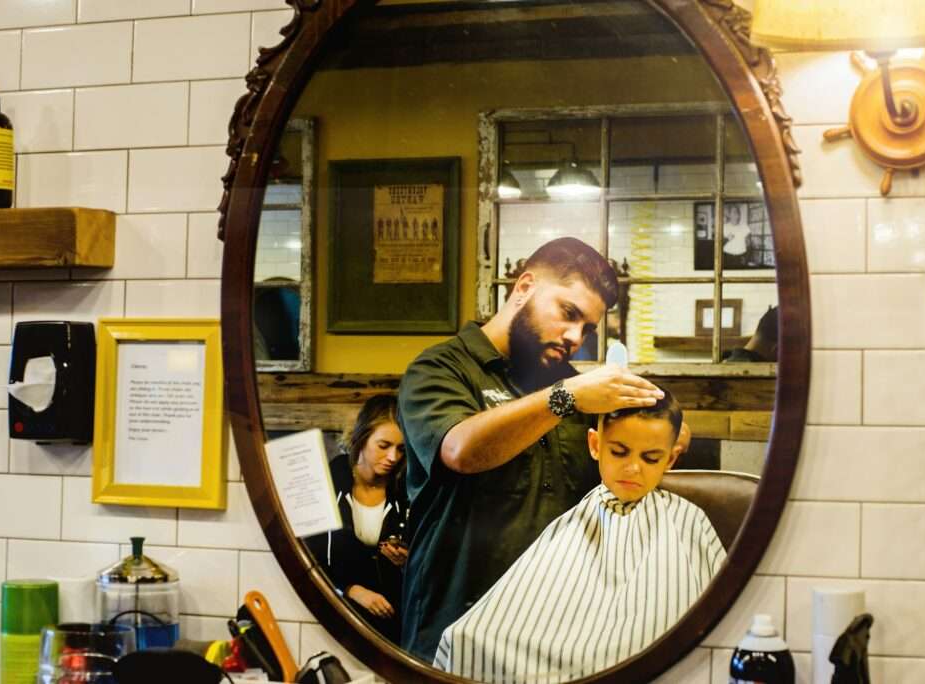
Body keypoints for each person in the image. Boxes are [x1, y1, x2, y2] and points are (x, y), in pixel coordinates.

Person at [397, 237, 680, 661]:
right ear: (524, 287)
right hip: (452, 631)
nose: (575, 337)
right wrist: (566, 397)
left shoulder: (573, 385)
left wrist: (663, 435)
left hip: (550, 635)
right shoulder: (441, 368)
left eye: (587, 328)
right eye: (568, 313)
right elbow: (460, 450)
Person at [433, 390, 725, 682]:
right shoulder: (574, 521)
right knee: (465, 639)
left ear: (670, 459)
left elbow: (727, 615)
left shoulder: (688, 520)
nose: (633, 467)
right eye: (619, 452)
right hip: (561, 655)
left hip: (653, 661)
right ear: (595, 445)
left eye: (650, 458)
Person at [304, 395, 410, 643]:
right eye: (384, 445)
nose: (393, 457)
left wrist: (407, 560)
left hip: (393, 625)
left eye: (401, 449)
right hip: (332, 616)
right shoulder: (326, 484)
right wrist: (351, 589)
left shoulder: (407, 492)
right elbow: (306, 556)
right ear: (361, 439)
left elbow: (426, 565)